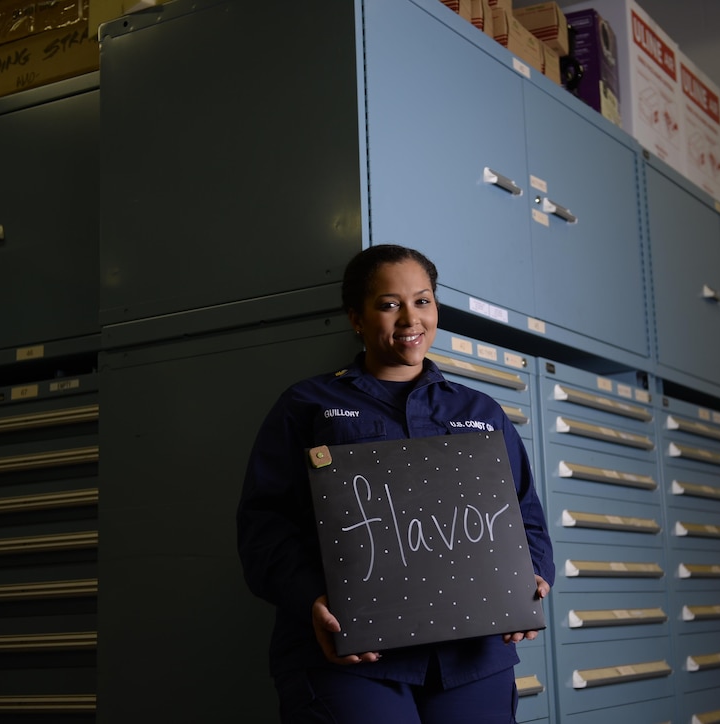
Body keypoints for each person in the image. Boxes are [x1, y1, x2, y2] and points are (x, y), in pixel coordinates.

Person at [237, 244, 554, 724]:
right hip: (353, 654)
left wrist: (530, 580)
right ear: (356, 318)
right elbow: (265, 525)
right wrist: (311, 600)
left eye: (422, 301)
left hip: (472, 658)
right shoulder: (308, 405)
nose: (410, 319)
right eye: (389, 304)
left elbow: (524, 514)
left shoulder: (479, 412)